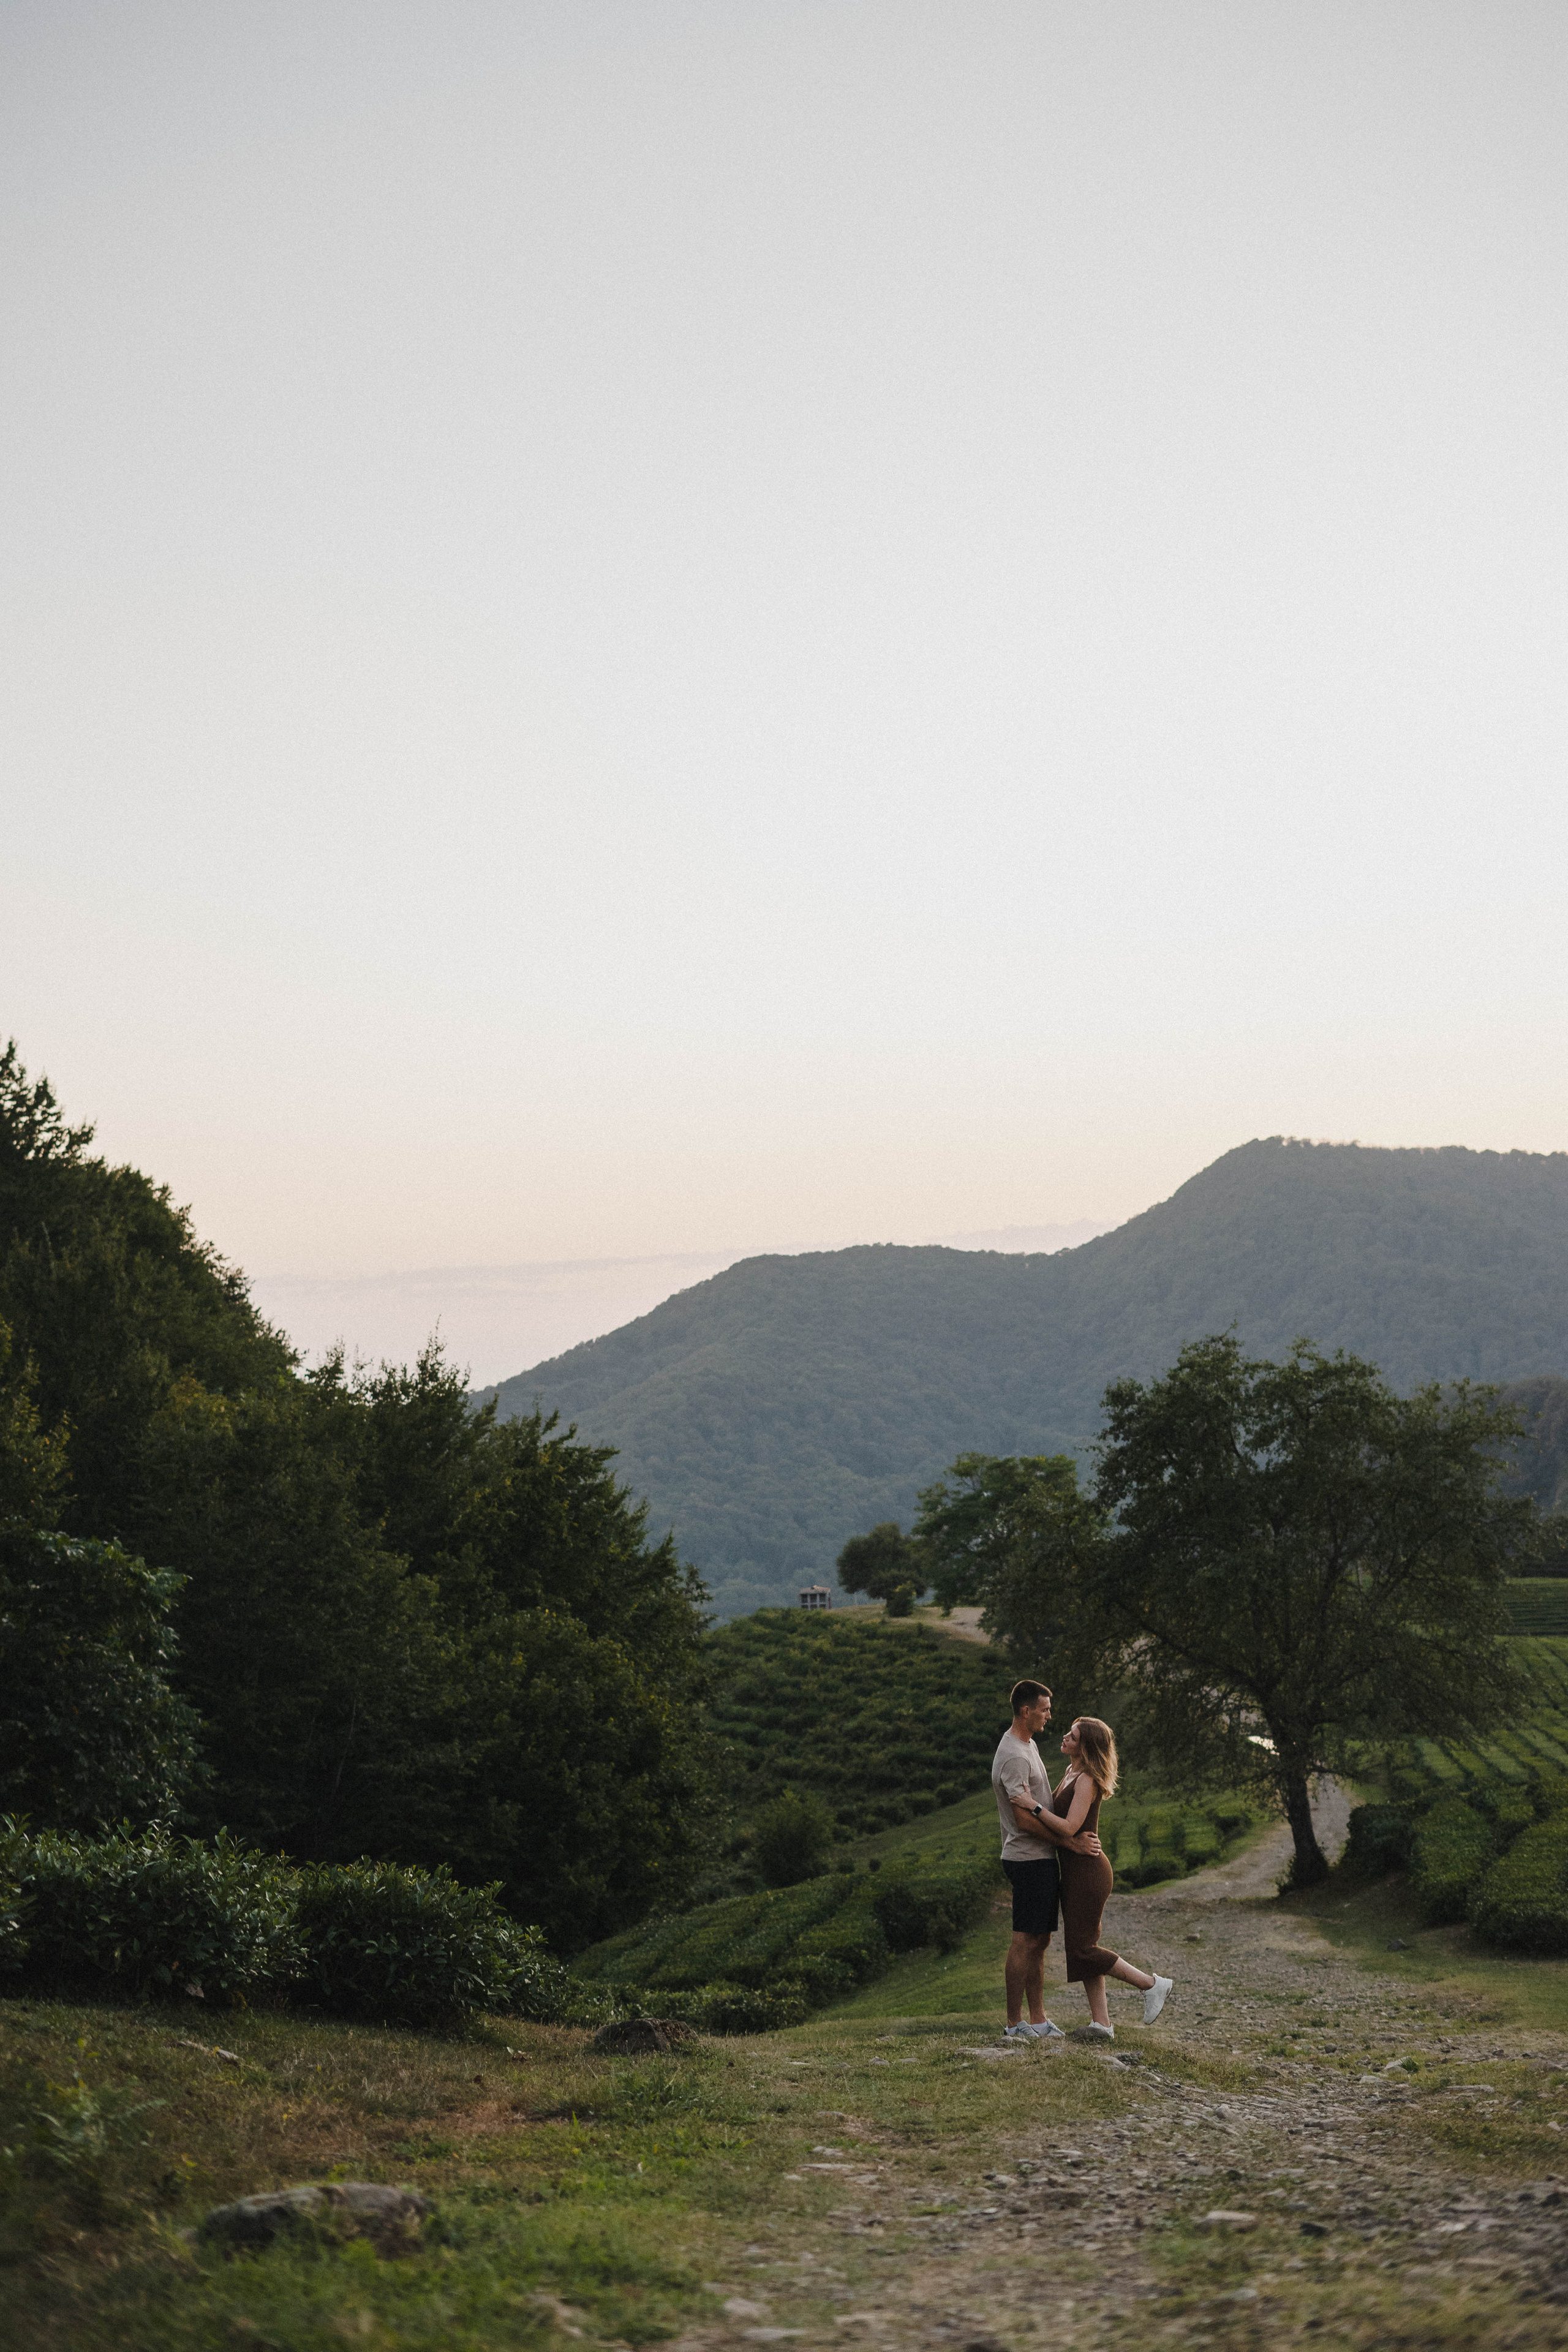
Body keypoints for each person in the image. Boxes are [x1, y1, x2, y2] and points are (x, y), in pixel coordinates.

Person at [1039, 1716, 1173, 2041]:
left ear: (1085, 1747)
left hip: (1088, 1872)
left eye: (1073, 1736)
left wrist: (1033, 1808)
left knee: (1083, 1949)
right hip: (1075, 1870)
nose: (1065, 1738)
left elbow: (1070, 1827)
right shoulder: (1071, 1771)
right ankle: (1102, 2024)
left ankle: (1152, 1985)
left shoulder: (1086, 1779)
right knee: (1085, 1947)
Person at [991, 1679, 1104, 2043]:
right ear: (1027, 1711)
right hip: (1026, 1858)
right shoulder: (1014, 1755)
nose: (1049, 1715)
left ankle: (1038, 2020)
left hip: (1040, 1858)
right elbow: (1024, 1818)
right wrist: (1069, 1842)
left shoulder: (1029, 1745)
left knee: (1040, 1940)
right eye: (1044, 1709)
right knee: (1025, 1940)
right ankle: (1014, 2023)